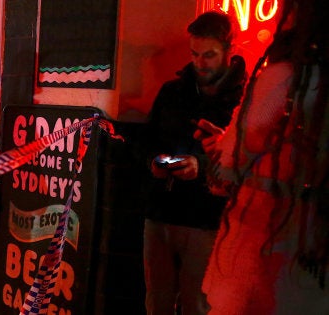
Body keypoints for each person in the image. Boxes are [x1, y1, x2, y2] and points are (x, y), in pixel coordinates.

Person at [194, 0, 329, 313]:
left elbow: (223, 173)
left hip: (258, 258)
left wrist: (221, 148)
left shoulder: (287, 78)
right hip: (314, 267)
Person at [139, 11, 246, 314]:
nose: (199, 63)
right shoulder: (173, 91)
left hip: (207, 220)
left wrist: (200, 165)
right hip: (161, 212)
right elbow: (147, 140)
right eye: (195, 54)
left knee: (197, 305)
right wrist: (153, 162)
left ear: (229, 50)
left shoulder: (245, 99)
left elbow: (248, 162)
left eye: (209, 55)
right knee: (156, 302)